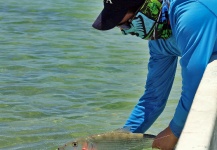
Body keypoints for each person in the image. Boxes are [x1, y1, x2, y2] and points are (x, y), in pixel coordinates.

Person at [92, 0, 217, 149]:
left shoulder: (191, 16)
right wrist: (120, 138)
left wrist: (173, 132)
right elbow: (153, 98)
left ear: (145, 9)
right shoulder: (159, 40)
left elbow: (194, 85)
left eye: (125, 25)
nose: (125, 33)